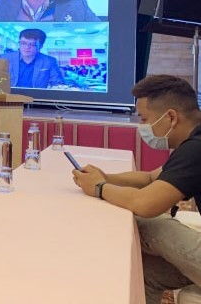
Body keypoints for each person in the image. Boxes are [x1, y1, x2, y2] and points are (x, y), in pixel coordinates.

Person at [72, 75, 201, 304]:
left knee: (150, 227)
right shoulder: (193, 142)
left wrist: (100, 188)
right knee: (143, 272)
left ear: (171, 117)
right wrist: (105, 178)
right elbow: (150, 178)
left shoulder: (195, 149)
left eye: (144, 119)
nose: (142, 126)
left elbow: (146, 204)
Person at [0, 28, 64, 88]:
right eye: (23, 43)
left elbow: (58, 84)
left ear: (40, 46)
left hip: (37, 96)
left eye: (32, 44)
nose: (27, 47)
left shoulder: (49, 61)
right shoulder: (4, 58)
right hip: (9, 95)